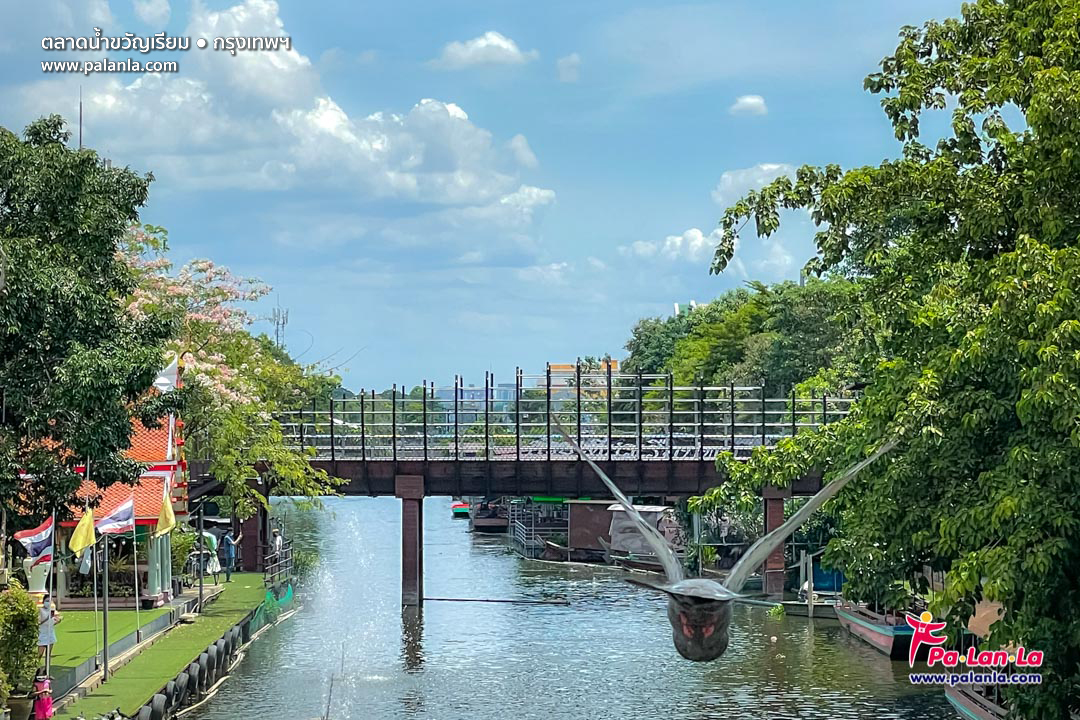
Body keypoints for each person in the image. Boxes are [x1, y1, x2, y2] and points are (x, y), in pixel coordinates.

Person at [37, 594, 58, 660]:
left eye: (49, 601)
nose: (48, 602)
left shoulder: (51, 610)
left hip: (50, 633)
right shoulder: (40, 610)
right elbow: (39, 622)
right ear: (43, 601)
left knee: (48, 655)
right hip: (42, 634)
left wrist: (57, 620)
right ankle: (35, 666)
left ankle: (47, 666)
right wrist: (47, 618)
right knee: (39, 654)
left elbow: (52, 622)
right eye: (47, 601)